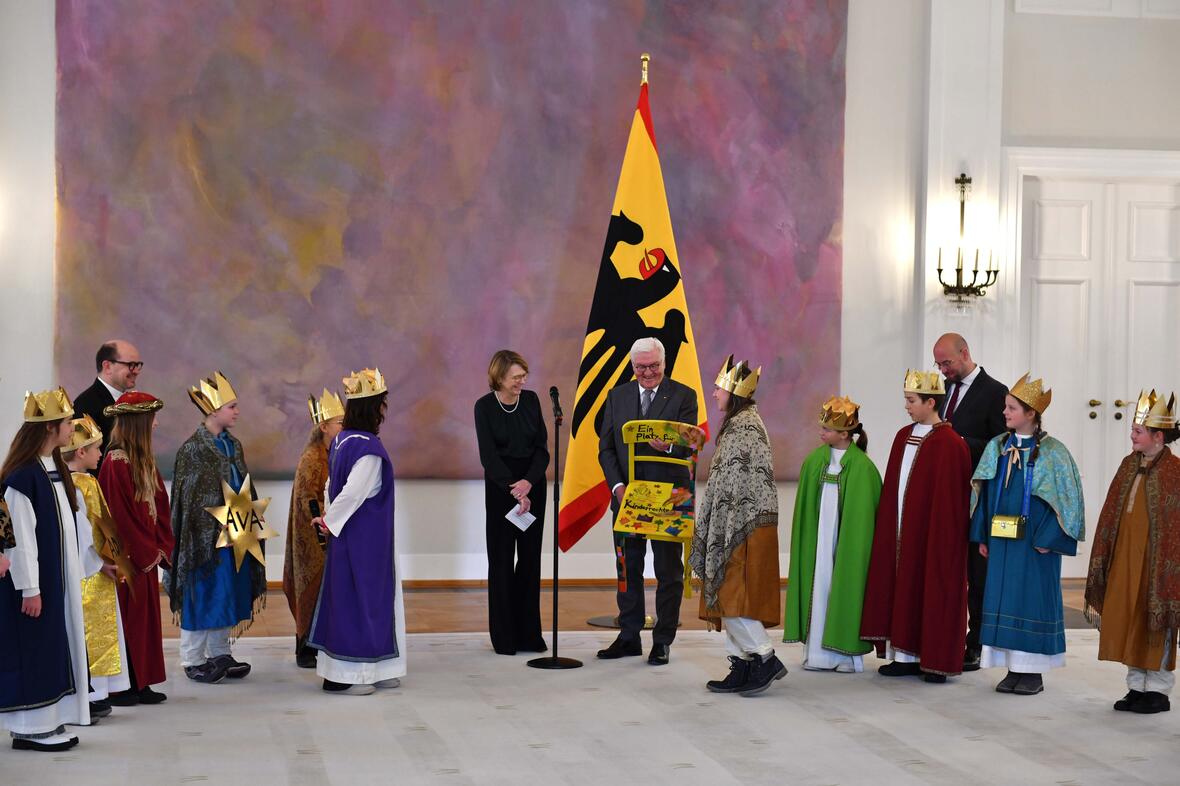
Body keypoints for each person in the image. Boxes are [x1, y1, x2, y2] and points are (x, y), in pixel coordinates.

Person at [970, 374, 1083, 696]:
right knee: (1004, 596)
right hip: (1003, 540)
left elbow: (1068, 501)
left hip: (1035, 544)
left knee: (1030, 599)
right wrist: (982, 536)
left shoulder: (1053, 453)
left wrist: (1050, 539)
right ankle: (1012, 668)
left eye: (1011, 408)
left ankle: (1032, 671)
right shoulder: (997, 447)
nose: (1004, 413)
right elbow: (983, 493)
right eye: (1006, 407)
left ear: (1030, 413)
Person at [861, 370, 972, 683]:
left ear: (930, 402)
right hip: (899, 529)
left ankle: (933, 659)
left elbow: (952, 502)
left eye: (912, 401)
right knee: (903, 584)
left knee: (929, 586)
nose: (907, 406)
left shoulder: (950, 444)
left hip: (932, 535)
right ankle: (904, 654)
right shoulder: (903, 435)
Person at [597, 337, 699, 666]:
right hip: (628, 497)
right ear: (632, 367)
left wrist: (667, 447)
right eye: (641, 367)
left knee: (669, 571)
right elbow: (606, 448)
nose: (647, 373)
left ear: (664, 363)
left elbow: (691, 447)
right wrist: (617, 486)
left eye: (654, 366)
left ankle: (663, 640)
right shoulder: (618, 395)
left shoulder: (684, 395)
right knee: (628, 568)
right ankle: (628, 636)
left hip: (671, 496)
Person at [0, 387, 90, 751]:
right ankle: (30, 725)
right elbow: (18, 538)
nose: (73, 428)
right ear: (51, 427)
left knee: (53, 646)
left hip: (56, 580)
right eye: (69, 422)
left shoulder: (51, 468)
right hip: (33, 585)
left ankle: (48, 720)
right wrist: (30, 588)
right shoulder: (22, 477)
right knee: (33, 648)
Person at [689, 356, 784, 695]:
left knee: (732, 595)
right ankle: (741, 663)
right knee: (727, 594)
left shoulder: (745, 426)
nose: (713, 393)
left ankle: (764, 657)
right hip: (736, 523)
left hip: (745, 524)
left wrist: (724, 527)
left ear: (734, 392)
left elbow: (741, 483)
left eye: (718, 388)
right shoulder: (737, 422)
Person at [308, 368, 406, 695]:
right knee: (364, 601)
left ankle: (380, 666)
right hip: (366, 540)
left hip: (351, 535)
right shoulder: (368, 448)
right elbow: (351, 492)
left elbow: (329, 487)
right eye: (380, 405)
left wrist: (328, 518)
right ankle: (356, 673)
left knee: (361, 599)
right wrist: (330, 520)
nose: (383, 411)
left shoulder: (341, 441)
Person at [167, 372, 265, 684]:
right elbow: (188, 498)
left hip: (236, 531)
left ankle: (220, 650)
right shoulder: (193, 449)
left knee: (229, 588)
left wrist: (249, 513)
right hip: (204, 537)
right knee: (203, 591)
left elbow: (242, 485)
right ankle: (193, 657)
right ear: (213, 410)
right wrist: (211, 520)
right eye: (232, 406)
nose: (237, 411)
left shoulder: (233, 445)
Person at [1086, 390, 1180, 714]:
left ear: (1158, 436)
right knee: (1130, 617)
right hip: (1127, 559)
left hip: (1158, 566)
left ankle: (1158, 689)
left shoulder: (1175, 473)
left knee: (1155, 622)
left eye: (1138, 431)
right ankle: (1136, 685)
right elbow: (1112, 512)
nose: (1132, 435)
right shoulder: (1129, 465)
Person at [784, 396, 881, 674]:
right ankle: (817, 654)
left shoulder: (863, 467)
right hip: (819, 541)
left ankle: (845, 656)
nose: (821, 432)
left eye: (826, 429)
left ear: (844, 434)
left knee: (842, 585)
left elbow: (865, 516)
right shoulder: (815, 461)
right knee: (819, 585)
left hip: (844, 543)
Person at [932, 332, 1008, 671]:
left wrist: (958, 440)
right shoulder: (944, 390)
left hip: (978, 495)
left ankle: (975, 642)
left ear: (965, 353)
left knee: (978, 572)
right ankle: (942, 637)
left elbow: (999, 444)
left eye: (946, 363)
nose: (943, 370)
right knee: (946, 567)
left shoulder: (995, 392)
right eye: (938, 364)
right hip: (946, 493)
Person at [98, 391, 173, 706]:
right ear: (140, 423)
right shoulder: (116, 462)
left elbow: (159, 506)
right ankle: (124, 685)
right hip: (128, 558)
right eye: (151, 419)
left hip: (146, 555)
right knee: (128, 618)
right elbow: (120, 516)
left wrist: (161, 544)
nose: (155, 425)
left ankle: (141, 681)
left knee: (144, 619)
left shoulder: (142, 459)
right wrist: (145, 550)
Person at [474, 350, 550, 656]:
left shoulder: (531, 401)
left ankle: (529, 635)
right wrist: (514, 489)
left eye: (524, 376)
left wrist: (528, 483)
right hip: (501, 491)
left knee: (530, 562)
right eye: (516, 376)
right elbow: (488, 456)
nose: (522, 381)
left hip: (533, 489)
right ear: (500, 377)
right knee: (503, 562)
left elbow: (542, 449)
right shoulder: (484, 407)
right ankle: (504, 638)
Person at [63, 415, 136, 720]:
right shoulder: (76, 487)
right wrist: (100, 562)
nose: (100, 454)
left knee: (100, 630)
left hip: (96, 567)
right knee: (89, 632)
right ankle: (91, 694)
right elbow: (80, 532)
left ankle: (100, 692)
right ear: (81, 453)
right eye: (96, 449)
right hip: (87, 573)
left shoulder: (86, 482)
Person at [283, 389, 345, 669]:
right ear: (324, 427)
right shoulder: (313, 457)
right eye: (340, 422)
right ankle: (305, 646)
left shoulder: (332, 452)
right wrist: (323, 530)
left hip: (327, 529)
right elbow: (309, 499)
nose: (344, 427)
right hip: (314, 534)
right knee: (311, 588)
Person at [72, 340, 143, 463]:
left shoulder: (127, 403)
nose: (136, 371)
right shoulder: (86, 405)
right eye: (131, 365)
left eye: (138, 365)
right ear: (107, 366)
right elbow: (82, 461)